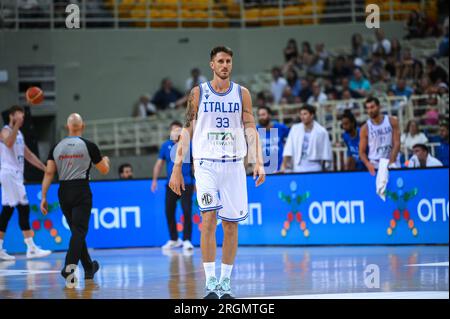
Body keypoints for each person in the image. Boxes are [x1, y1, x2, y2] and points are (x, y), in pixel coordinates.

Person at [168, 46, 265, 299]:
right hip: (206, 164)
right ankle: (210, 282)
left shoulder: (242, 94)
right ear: (212, 65)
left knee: (232, 227)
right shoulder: (198, 93)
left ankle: (225, 282)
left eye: (228, 61)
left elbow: (251, 127)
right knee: (209, 219)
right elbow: (187, 130)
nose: (225, 65)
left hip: (234, 165)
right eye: (220, 61)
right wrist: (177, 167)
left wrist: (258, 160)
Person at [40, 113, 110, 283]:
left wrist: (43, 196)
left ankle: (88, 267)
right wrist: (106, 160)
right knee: (79, 231)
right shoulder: (89, 146)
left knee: (76, 232)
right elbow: (104, 170)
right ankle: (69, 267)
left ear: (67, 127)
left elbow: (49, 172)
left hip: (63, 190)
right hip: (81, 190)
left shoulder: (56, 147)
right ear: (83, 126)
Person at [0, 105, 51, 261]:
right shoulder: (6, 130)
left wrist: (44, 168)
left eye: (23, 114)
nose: (22, 117)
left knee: (8, 211)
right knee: (23, 207)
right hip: (9, 174)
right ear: (11, 116)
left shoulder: (19, 134)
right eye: (19, 114)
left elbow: (28, 154)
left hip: (16, 175)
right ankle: (31, 248)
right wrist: (16, 125)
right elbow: (8, 142)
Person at [152, 121, 194, 252]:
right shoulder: (166, 146)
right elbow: (159, 164)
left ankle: (187, 240)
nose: (176, 132)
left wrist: (197, 181)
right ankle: (174, 239)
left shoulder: (189, 145)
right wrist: (154, 180)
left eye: (178, 130)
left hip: (187, 183)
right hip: (170, 184)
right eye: (173, 130)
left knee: (187, 211)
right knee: (169, 211)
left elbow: (195, 165)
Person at [280, 104, 332, 173]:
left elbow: (326, 153)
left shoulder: (322, 131)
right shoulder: (295, 129)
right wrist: (283, 166)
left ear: (312, 115)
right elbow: (288, 149)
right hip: (298, 167)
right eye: (301, 114)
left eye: (305, 114)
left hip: (315, 167)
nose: (302, 117)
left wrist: (326, 170)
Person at [359, 97, 401, 175]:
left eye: (372, 107)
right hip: (375, 163)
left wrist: (391, 161)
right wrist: (368, 164)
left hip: (392, 160)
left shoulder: (392, 121)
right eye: (368, 108)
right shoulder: (364, 128)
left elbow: (397, 143)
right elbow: (361, 152)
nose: (370, 111)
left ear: (379, 107)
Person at [256, 106, 290, 174]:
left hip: (280, 170)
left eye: (263, 115)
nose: (261, 117)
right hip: (263, 171)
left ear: (269, 115)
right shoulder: (255, 130)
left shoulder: (280, 127)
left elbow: (291, 141)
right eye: (259, 115)